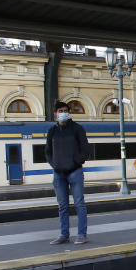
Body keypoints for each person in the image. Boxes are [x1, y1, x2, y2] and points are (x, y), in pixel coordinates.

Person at [45, 101, 89, 245]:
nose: (63, 113)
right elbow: (48, 151)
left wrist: (75, 162)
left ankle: (82, 235)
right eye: (60, 111)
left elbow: (85, 150)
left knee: (79, 204)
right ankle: (64, 234)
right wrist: (54, 164)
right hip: (58, 173)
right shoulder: (52, 131)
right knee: (62, 206)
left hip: (75, 171)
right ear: (55, 114)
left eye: (65, 110)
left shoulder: (77, 129)